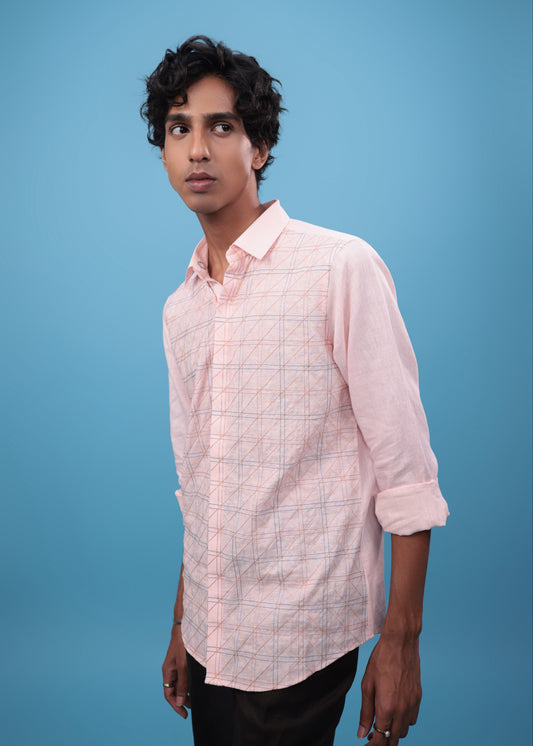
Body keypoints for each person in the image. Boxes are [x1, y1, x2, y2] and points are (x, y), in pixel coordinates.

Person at [141, 35, 449, 746]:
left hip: (302, 635)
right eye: (178, 129)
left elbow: (406, 471)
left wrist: (400, 642)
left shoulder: (340, 267)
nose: (197, 150)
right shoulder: (180, 308)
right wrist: (186, 623)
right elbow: (200, 481)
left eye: (221, 126)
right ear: (162, 153)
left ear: (260, 146)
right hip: (213, 637)